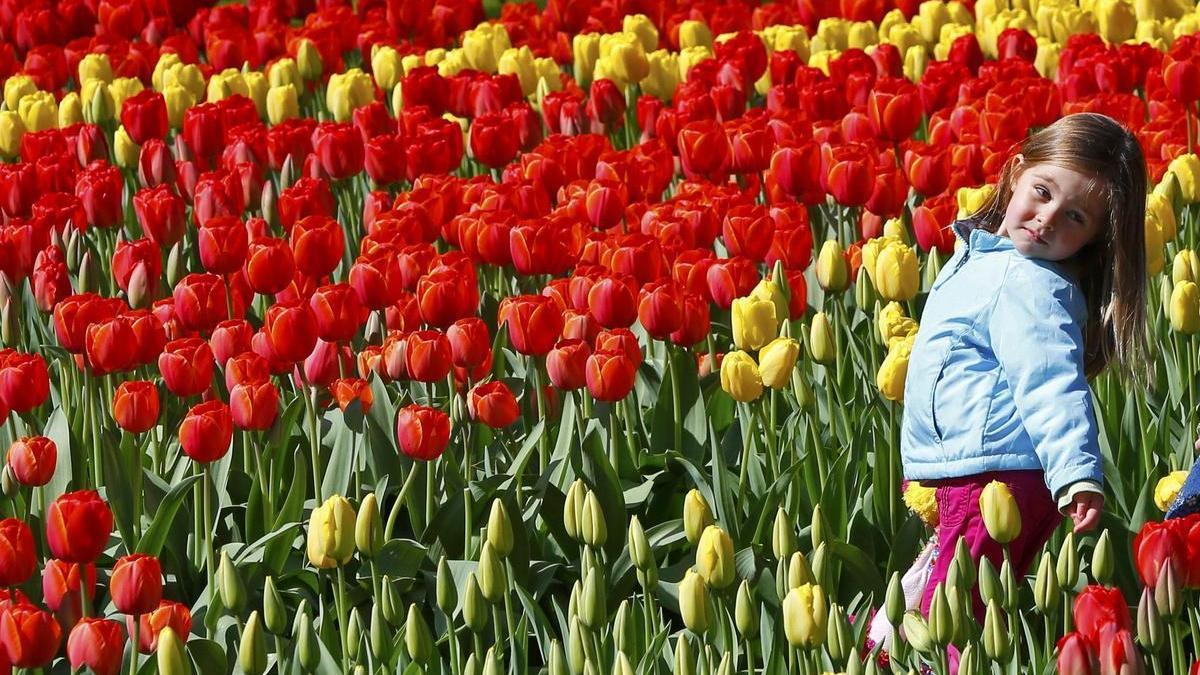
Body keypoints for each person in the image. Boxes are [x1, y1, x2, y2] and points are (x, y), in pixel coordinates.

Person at [900, 112, 1149, 619]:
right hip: (971, 471)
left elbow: (1051, 385)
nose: (1048, 217)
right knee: (941, 600)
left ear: (1093, 238)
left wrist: (1077, 474)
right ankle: (883, 649)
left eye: (1075, 217)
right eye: (1042, 191)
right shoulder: (984, 255)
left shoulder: (1031, 282)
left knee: (951, 619)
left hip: (994, 477)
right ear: (1016, 173)